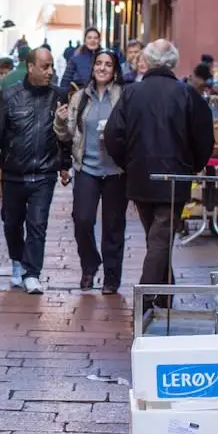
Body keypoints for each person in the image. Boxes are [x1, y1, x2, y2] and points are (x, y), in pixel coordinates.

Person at [103, 40, 214, 311]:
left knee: (157, 237)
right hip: (175, 178)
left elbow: (112, 135)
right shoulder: (187, 94)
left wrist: (128, 164)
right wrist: (192, 167)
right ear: (173, 63)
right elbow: (204, 138)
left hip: (140, 177)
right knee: (160, 238)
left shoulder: (131, 94)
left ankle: (162, 296)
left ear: (148, 61)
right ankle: (148, 297)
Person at [0, 47, 70, 294]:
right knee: (11, 223)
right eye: (45, 67)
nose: (50, 72)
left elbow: (64, 136)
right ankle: (17, 262)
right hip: (13, 173)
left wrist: (65, 165)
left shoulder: (58, 95)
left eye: (52, 66)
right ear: (31, 67)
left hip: (44, 173)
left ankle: (32, 273)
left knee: (37, 224)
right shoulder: (9, 96)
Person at [54, 50, 127, 294]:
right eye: (99, 63)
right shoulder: (79, 98)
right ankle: (90, 263)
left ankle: (111, 278)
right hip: (86, 167)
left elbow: (133, 131)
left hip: (116, 170)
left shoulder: (124, 96)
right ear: (93, 67)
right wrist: (61, 121)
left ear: (115, 69)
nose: (103, 68)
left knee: (113, 226)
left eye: (108, 64)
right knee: (82, 220)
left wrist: (118, 138)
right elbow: (67, 135)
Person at [57, 27, 103, 92]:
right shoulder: (76, 58)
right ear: (85, 40)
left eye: (95, 38)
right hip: (80, 96)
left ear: (99, 40)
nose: (92, 40)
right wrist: (62, 98)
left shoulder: (105, 57)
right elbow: (66, 80)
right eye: (89, 38)